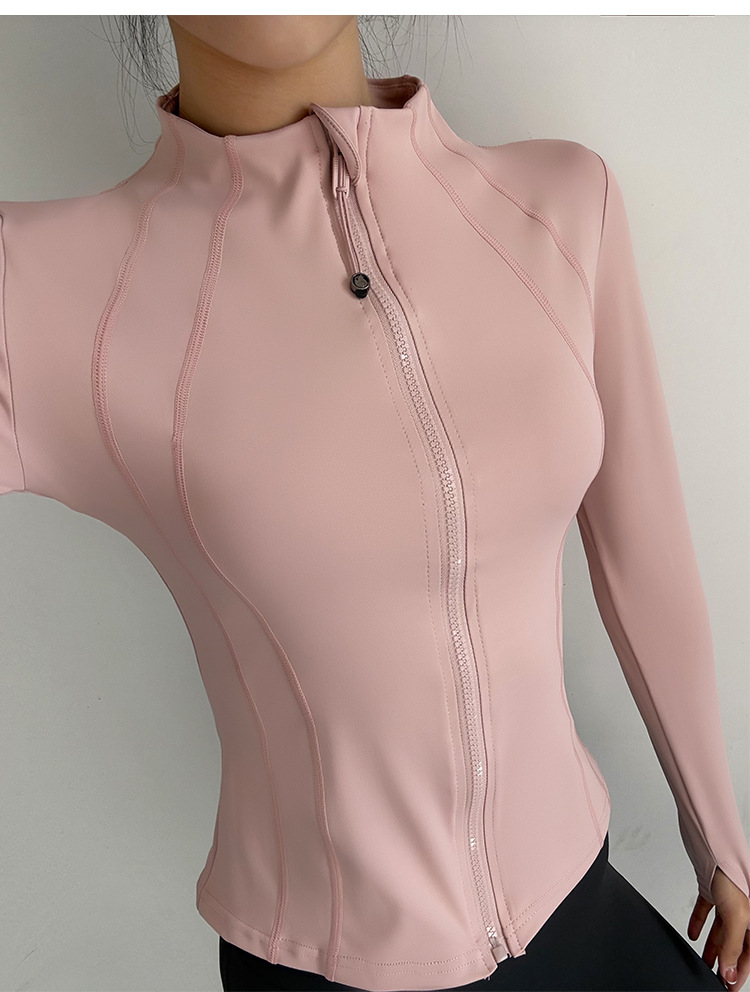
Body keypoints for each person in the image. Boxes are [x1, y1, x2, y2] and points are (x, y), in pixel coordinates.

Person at [1, 14, 749, 992]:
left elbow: (642, 547)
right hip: (325, 969)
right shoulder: (39, 287)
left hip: (586, 912)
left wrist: (719, 832)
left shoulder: (559, 204)